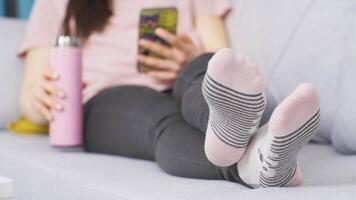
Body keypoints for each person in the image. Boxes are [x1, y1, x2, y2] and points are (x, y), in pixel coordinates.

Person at [18, 0, 320, 188]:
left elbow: (222, 59)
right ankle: (254, 156)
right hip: (104, 101)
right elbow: (30, 93)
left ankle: (246, 145)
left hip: (180, 83)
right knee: (160, 120)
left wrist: (189, 55)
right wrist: (39, 99)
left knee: (200, 68)